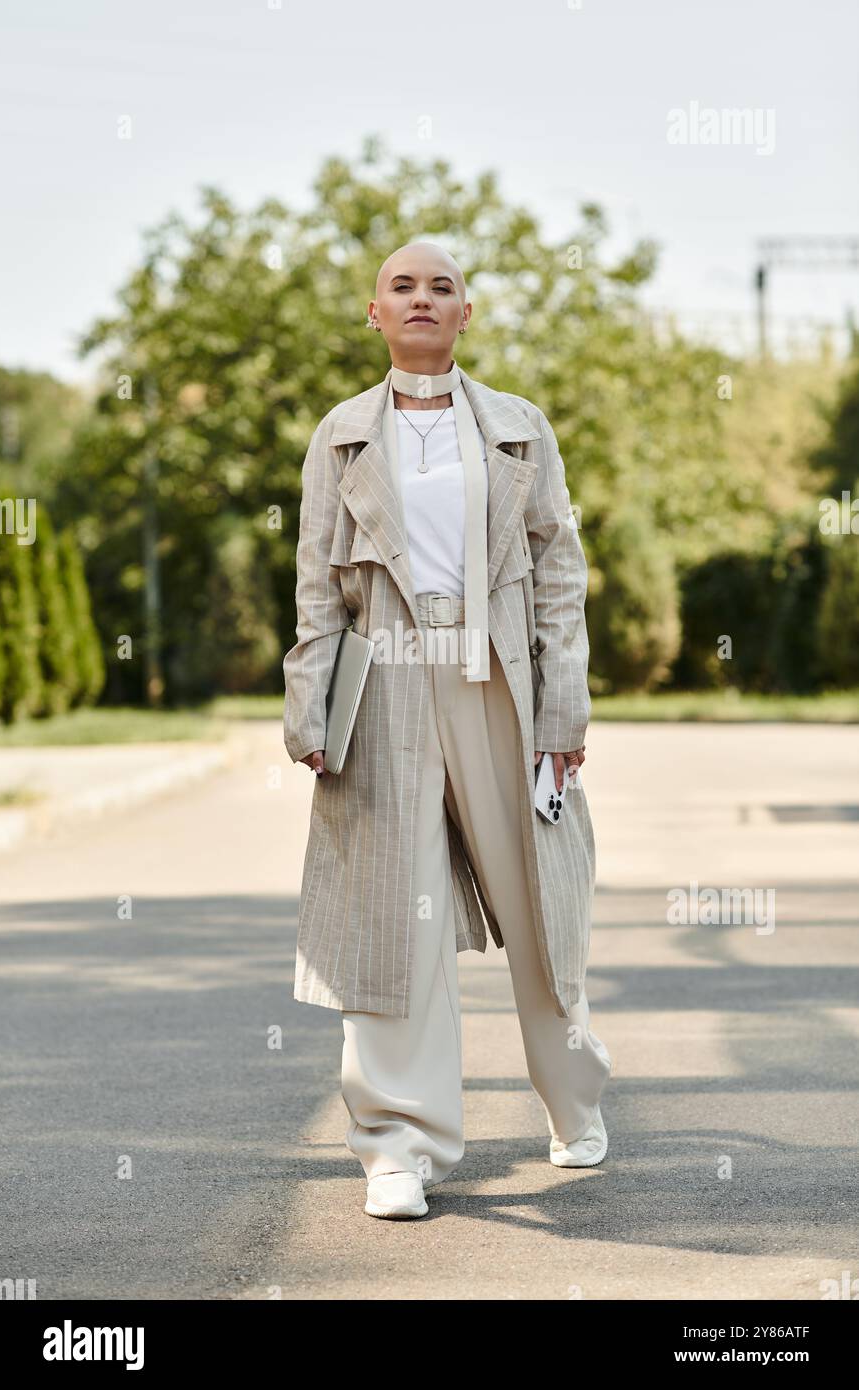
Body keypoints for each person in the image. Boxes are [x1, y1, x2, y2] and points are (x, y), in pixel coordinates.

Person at [282, 241, 611, 1219]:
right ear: (373, 315)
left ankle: (572, 1096)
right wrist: (310, 706)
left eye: (441, 286)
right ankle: (395, 1144)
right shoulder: (338, 436)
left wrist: (563, 706)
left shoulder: (519, 429)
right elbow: (313, 589)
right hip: (381, 677)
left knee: (541, 901)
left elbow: (558, 574)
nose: (421, 298)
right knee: (392, 912)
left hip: (496, 673)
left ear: (467, 314)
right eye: (400, 286)